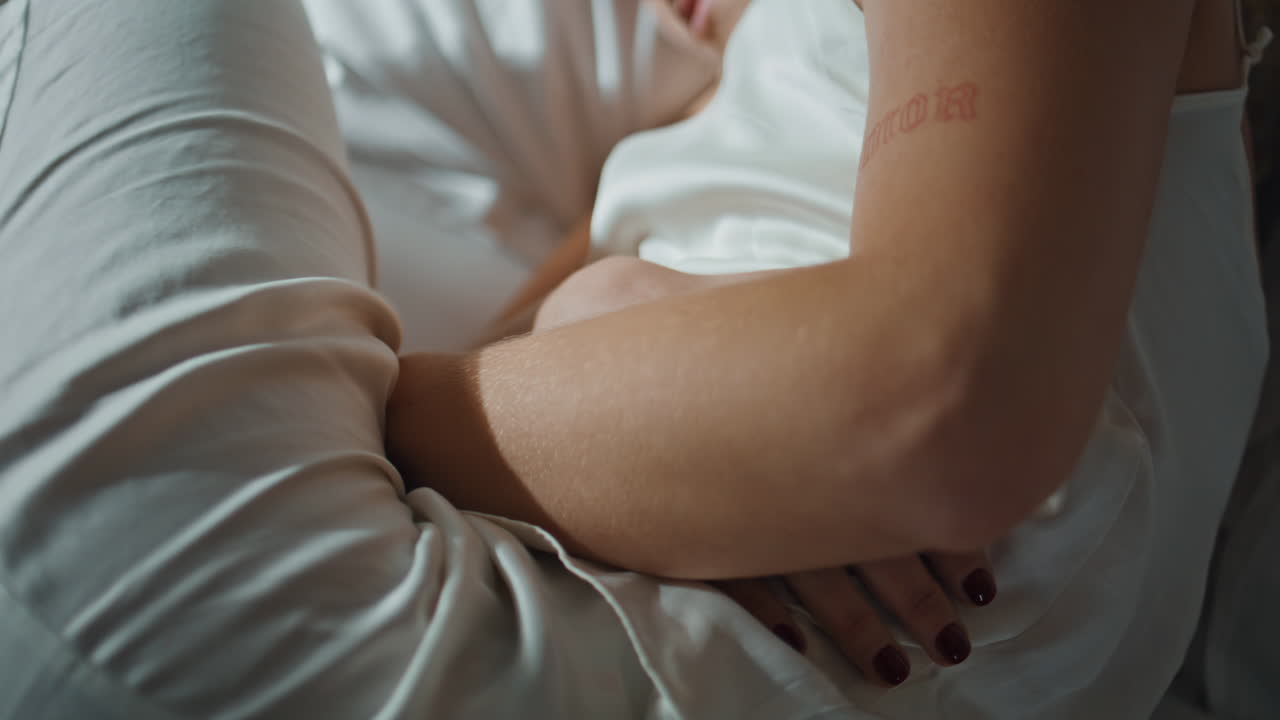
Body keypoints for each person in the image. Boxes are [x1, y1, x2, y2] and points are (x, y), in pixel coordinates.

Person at [0, 3, 1266, 720]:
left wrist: (321, 405)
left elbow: (939, 404)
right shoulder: (752, 124)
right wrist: (603, 319)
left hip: (244, 583)